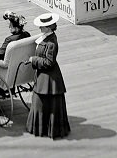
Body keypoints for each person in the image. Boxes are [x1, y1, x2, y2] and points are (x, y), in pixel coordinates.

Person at [25, 12, 71, 140]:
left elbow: (49, 62)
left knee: (40, 103)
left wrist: (33, 59)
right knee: (42, 103)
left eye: (42, 27)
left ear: (49, 27)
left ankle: (41, 128)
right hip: (46, 77)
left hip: (48, 77)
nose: (40, 28)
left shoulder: (51, 43)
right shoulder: (47, 37)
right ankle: (45, 128)